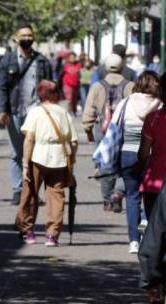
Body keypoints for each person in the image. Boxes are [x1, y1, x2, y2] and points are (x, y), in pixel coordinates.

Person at [0, 23, 53, 205]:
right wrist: (2, 110)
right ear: (16, 38)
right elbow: (1, 87)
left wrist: (51, 109)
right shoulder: (7, 60)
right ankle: (18, 190)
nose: (27, 38)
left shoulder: (42, 61)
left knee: (37, 152)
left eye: (30, 35)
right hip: (14, 112)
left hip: (37, 113)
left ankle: (33, 191)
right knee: (16, 152)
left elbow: (51, 87)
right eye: (24, 35)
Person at [15, 80, 78, 246]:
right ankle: (52, 235)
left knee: (30, 193)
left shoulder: (35, 112)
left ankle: (28, 231)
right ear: (56, 93)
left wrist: (25, 164)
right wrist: (72, 161)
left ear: (40, 94)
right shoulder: (63, 112)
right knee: (56, 196)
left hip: (38, 155)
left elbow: (29, 138)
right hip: (59, 158)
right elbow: (74, 142)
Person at [110, 71, 162, 254]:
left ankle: (133, 240)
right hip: (152, 156)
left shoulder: (126, 102)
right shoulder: (160, 104)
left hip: (128, 154)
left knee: (132, 197)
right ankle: (150, 232)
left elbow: (114, 126)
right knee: (153, 198)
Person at [83, 54, 134, 213]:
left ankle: (106, 200)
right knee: (124, 164)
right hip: (124, 129)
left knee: (105, 163)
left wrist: (88, 129)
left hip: (102, 129)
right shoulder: (130, 86)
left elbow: (89, 110)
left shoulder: (97, 86)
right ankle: (118, 193)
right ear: (122, 66)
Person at [138, 73, 166, 218]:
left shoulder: (152, 119)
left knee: (155, 231)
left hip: (155, 182)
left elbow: (143, 153)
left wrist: (140, 169)